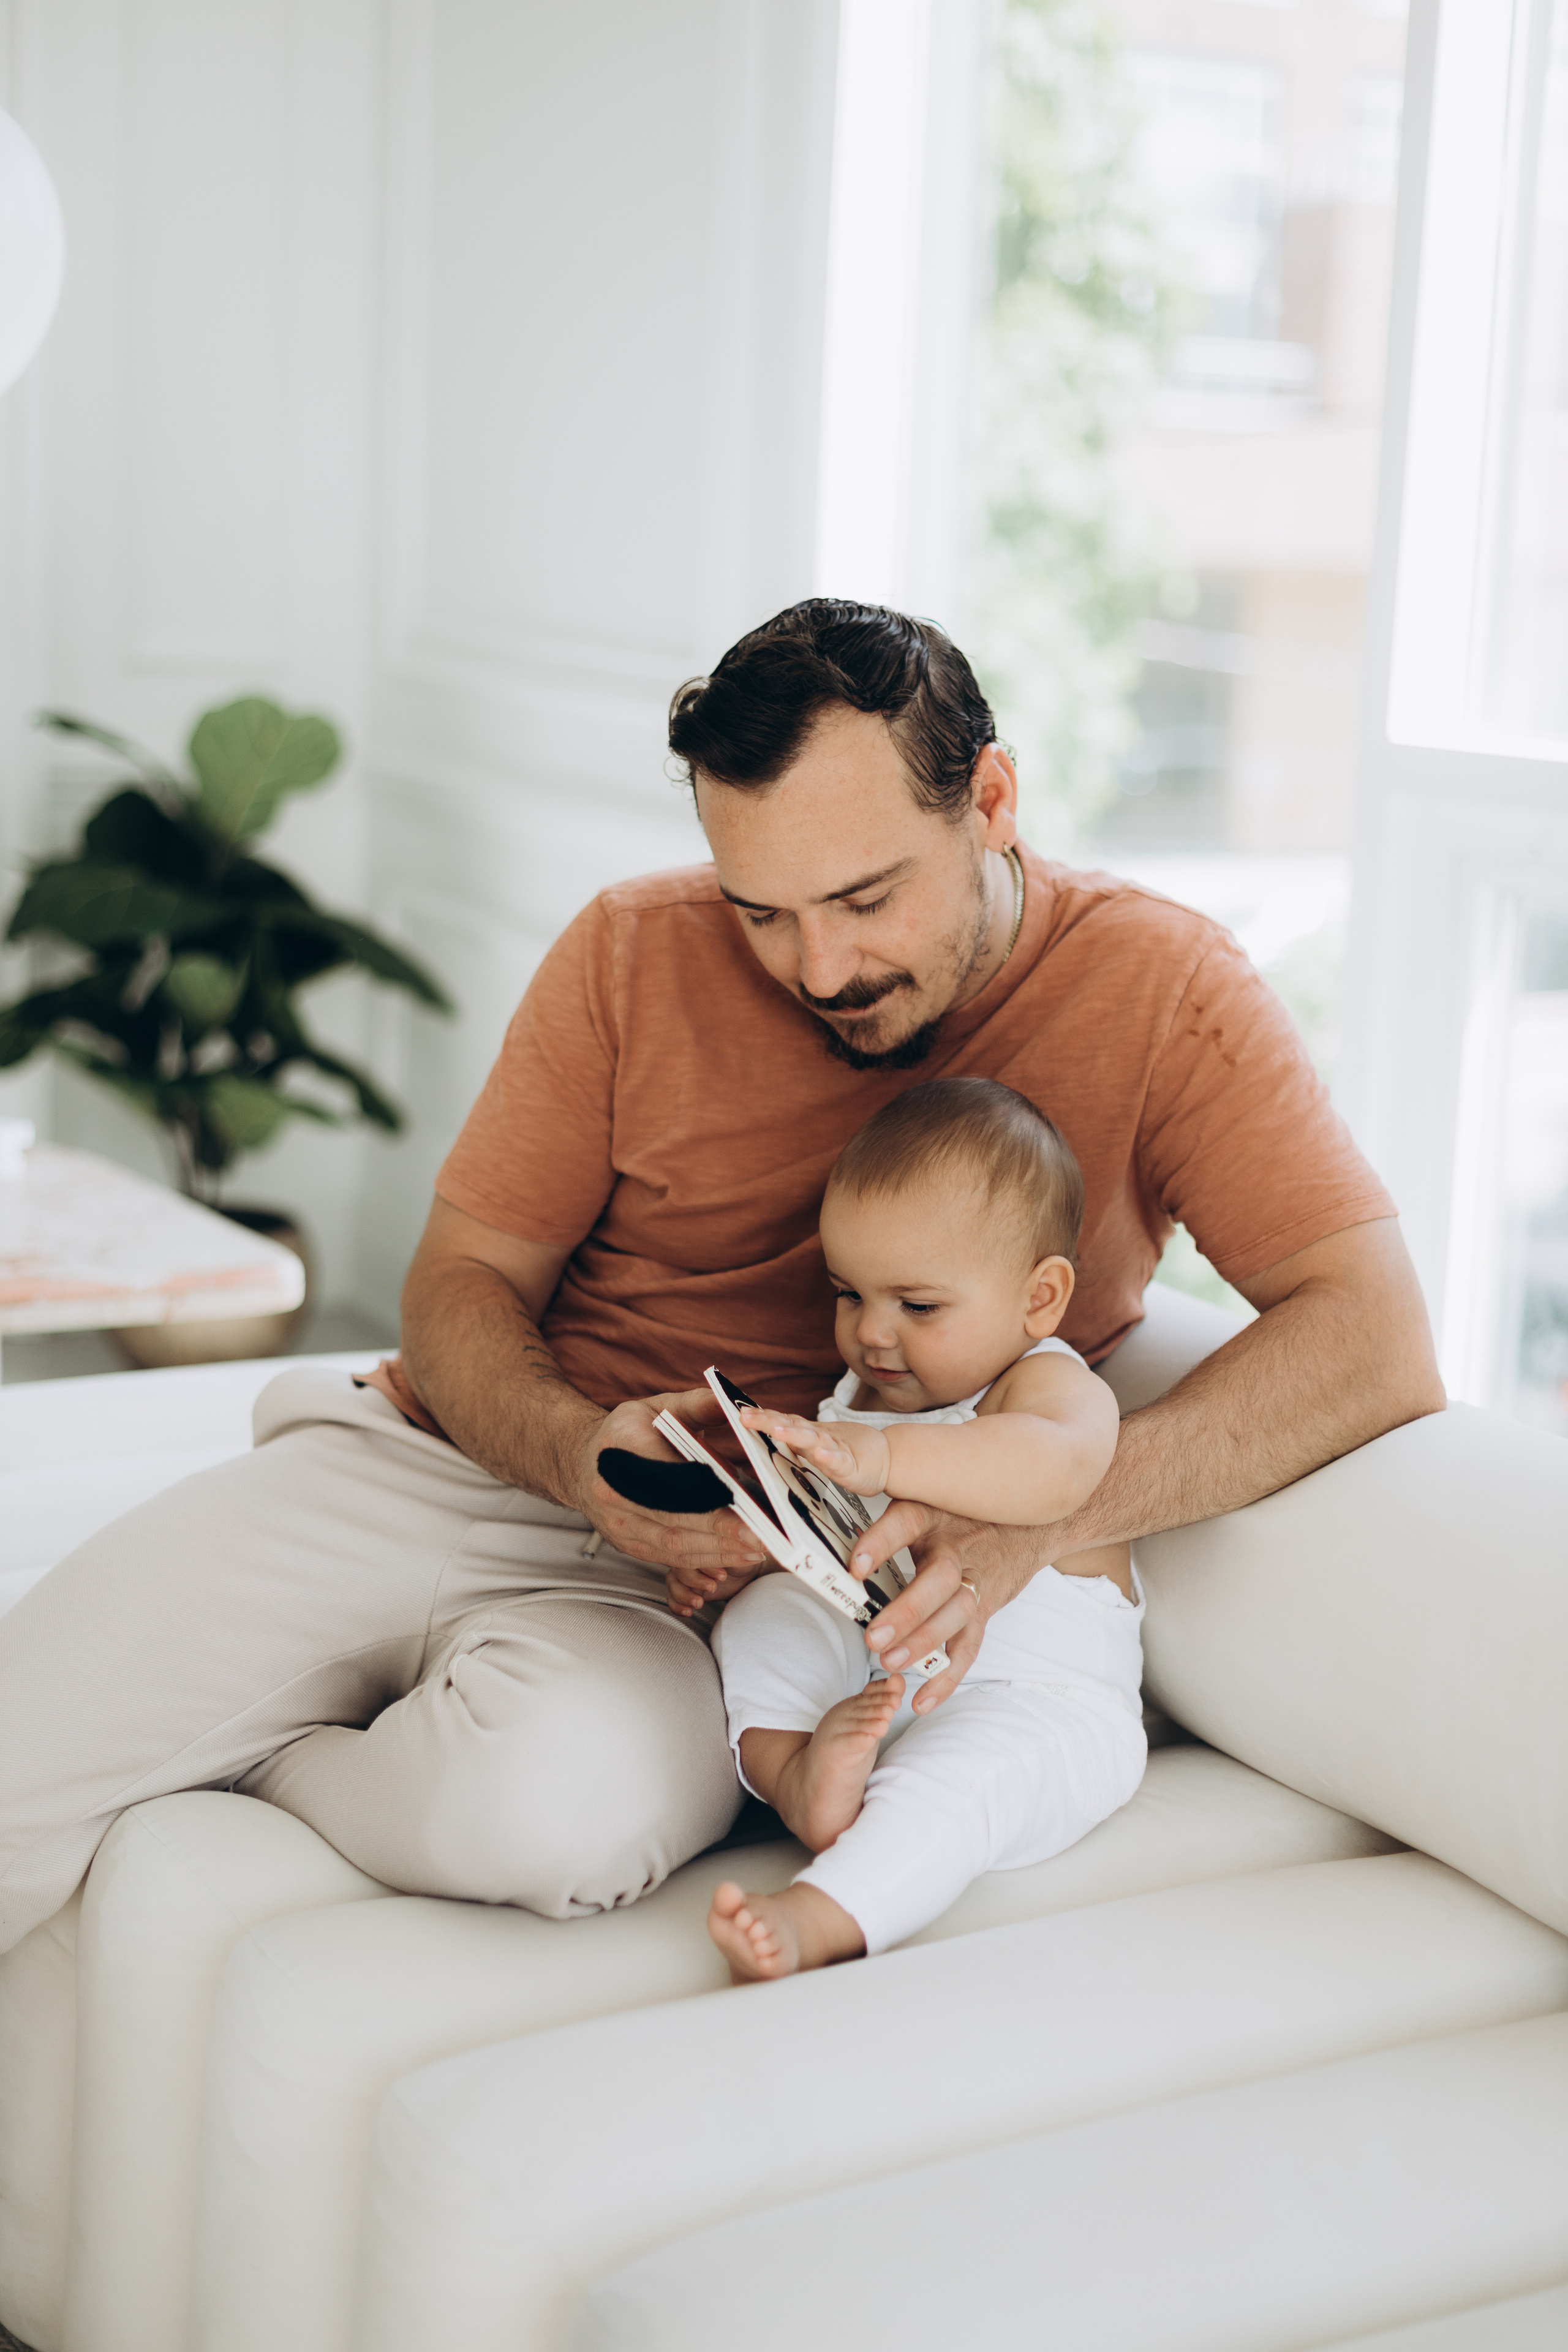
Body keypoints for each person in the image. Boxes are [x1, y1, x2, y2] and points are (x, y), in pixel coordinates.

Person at [0, 600, 1444, 1956]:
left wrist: (1028, 1524)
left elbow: (1372, 1341)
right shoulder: (630, 947)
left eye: (865, 898)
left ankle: (285, 1762)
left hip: (714, 1610)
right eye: (760, 910)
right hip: (459, 1463)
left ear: (990, 803)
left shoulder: (1163, 993)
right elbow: (459, 1283)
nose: (817, 965)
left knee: (549, 1817)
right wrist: (575, 1455)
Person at [705, 1077, 1141, 1981]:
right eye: (847, 1294)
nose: (870, 1334)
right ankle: (801, 1779)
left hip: (1036, 1703)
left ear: (1040, 1298)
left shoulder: (1044, 1385)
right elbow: (845, 1545)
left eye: (918, 1306)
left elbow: (1060, 1466)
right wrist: (756, 1546)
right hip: (885, 1668)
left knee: (954, 1787)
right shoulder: (869, 1393)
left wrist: (884, 1457)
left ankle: (822, 1915)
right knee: (763, 1619)